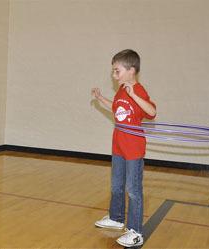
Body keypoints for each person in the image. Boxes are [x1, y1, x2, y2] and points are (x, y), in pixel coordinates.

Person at [91, 49, 156, 247]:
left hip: (133, 149)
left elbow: (151, 111)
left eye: (116, 71)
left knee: (133, 190)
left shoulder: (139, 90)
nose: (113, 75)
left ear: (131, 70)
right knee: (116, 185)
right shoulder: (121, 90)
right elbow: (117, 109)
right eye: (113, 71)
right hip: (118, 145)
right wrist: (101, 98)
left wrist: (134, 94)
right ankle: (116, 217)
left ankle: (135, 231)